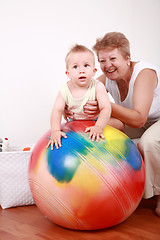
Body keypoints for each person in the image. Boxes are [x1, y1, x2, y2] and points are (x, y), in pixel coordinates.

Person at [64, 32, 160, 217]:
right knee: (108, 128)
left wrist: (105, 105)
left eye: (113, 58)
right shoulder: (107, 77)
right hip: (142, 120)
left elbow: (139, 119)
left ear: (127, 58)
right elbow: (78, 89)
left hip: (154, 119)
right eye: (102, 60)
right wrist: (69, 106)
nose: (107, 65)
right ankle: (109, 185)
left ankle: (158, 195)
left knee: (148, 142)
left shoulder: (144, 73)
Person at [47, 44, 123, 150]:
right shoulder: (64, 89)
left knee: (119, 125)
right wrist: (55, 131)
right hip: (74, 123)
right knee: (63, 132)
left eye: (86, 65)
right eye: (75, 67)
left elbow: (106, 108)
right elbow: (57, 110)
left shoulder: (98, 86)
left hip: (96, 120)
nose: (81, 70)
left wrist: (98, 126)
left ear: (94, 71)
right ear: (68, 73)